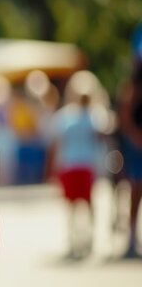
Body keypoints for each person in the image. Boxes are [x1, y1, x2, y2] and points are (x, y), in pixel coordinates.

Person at [48, 88, 102, 259]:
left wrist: (53, 167)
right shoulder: (94, 117)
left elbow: (57, 143)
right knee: (86, 203)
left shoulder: (67, 117)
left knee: (74, 204)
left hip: (72, 164)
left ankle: (76, 239)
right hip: (83, 164)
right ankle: (86, 238)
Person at [118, 64, 142, 258]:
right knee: (135, 191)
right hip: (136, 148)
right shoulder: (133, 89)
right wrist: (137, 138)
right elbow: (125, 119)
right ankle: (132, 238)